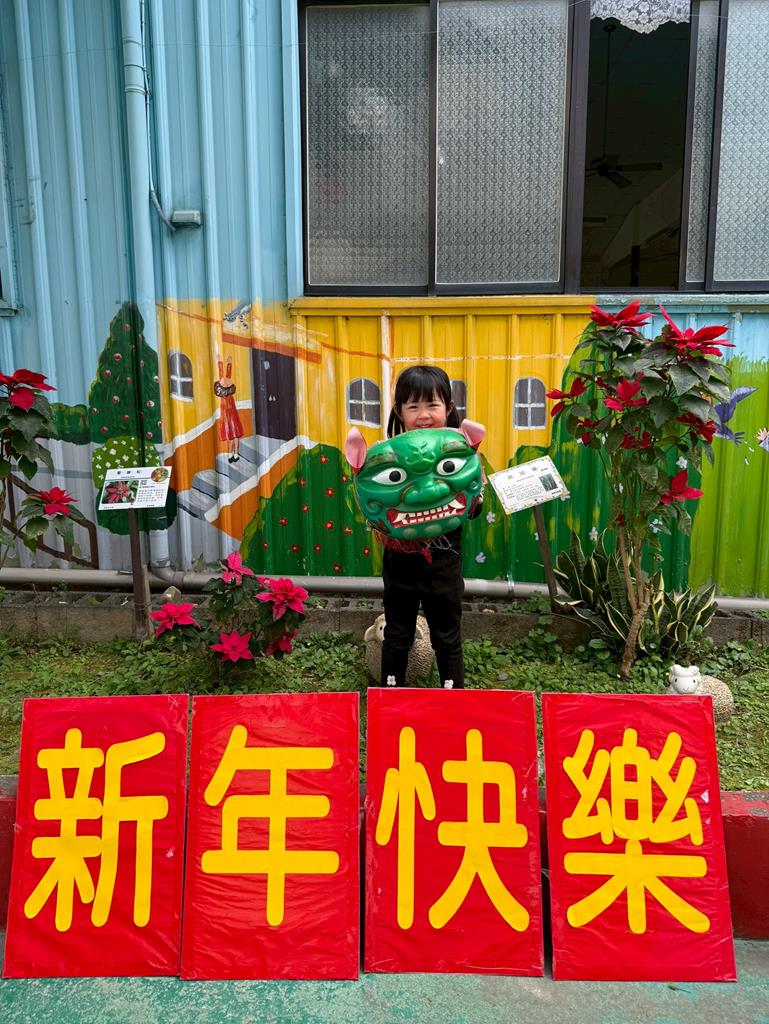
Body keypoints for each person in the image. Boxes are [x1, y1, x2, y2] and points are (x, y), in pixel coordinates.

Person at [379, 365, 482, 690]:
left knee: (447, 633)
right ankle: (389, 698)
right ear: (399, 411)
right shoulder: (387, 456)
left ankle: (453, 697)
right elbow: (377, 504)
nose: (423, 415)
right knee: (398, 632)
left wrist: (475, 500)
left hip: (445, 559)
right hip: (399, 559)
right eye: (413, 406)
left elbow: (473, 505)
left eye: (432, 405)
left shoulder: (461, 453)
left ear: (448, 407)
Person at [214, 353, 244, 463]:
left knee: (231, 434)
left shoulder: (223, 391)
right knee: (233, 434)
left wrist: (222, 362)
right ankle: (234, 454)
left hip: (229, 413)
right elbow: (225, 375)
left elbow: (224, 375)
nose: (225, 381)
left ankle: (233, 454)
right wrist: (226, 363)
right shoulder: (227, 391)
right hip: (229, 413)